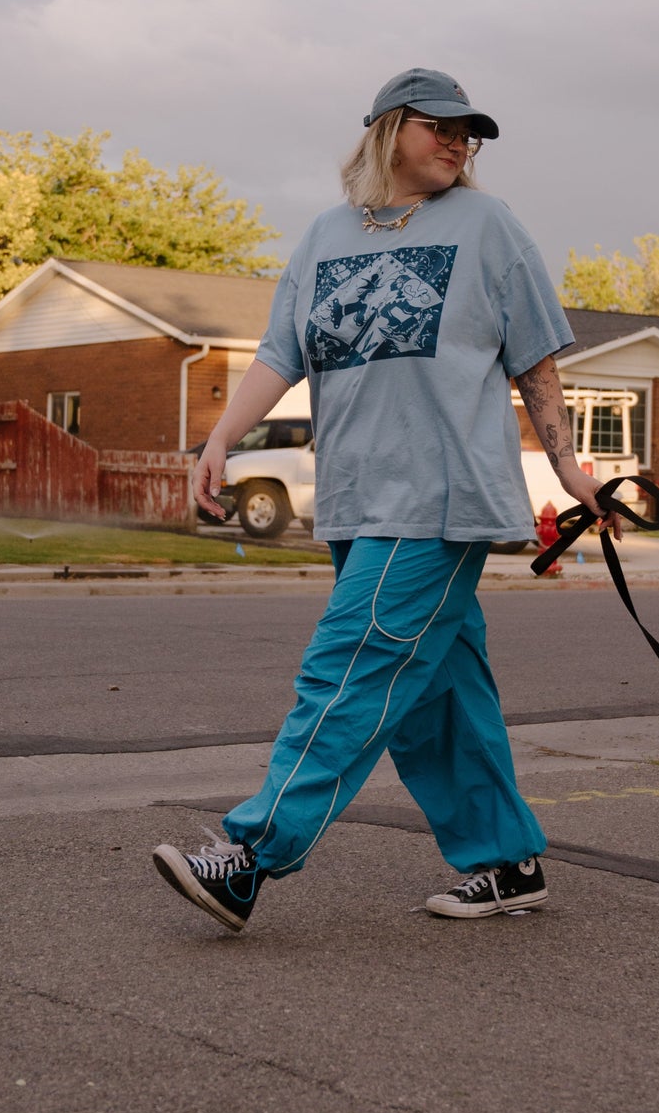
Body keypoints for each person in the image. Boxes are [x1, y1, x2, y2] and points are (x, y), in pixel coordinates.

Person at [152, 68, 613, 933]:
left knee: (354, 664)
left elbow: (536, 362)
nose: (457, 143)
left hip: (441, 500)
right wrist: (221, 439)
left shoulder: (487, 225)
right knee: (434, 691)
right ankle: (505, 860)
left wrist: (572, 470)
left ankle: (249, 858)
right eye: (441, 126)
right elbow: (278, 355)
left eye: (467, 133)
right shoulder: (326, 236)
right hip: (358, 498)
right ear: (389, 128)